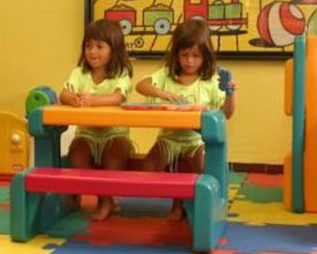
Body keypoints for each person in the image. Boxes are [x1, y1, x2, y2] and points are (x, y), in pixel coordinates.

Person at [136, 19, 235, 221]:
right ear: (176, 54)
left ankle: (196, 205)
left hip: (196, 141)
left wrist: (230, 94)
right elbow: (141, 85)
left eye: (196, 56)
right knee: (148, 168)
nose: (189, 61)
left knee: (202, 169)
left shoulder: (210, 80)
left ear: (205, 56)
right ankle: (177, 200)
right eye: (184, 55)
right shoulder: (167, 75)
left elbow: (226, 113)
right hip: (168, 139)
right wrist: (162, 93)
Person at [59, 18, 133, 221]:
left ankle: (107, 200)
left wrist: (93, 101)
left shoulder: (121, 74)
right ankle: (104, 198)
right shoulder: (79, 73)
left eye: (100, 46)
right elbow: (63, 93)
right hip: (87, 134)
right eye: (88, 46)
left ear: (114, 49)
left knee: (113, 161)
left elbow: (118, 97)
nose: (92, 52)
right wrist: (72, 99)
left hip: (115, 134)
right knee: (76, 157)